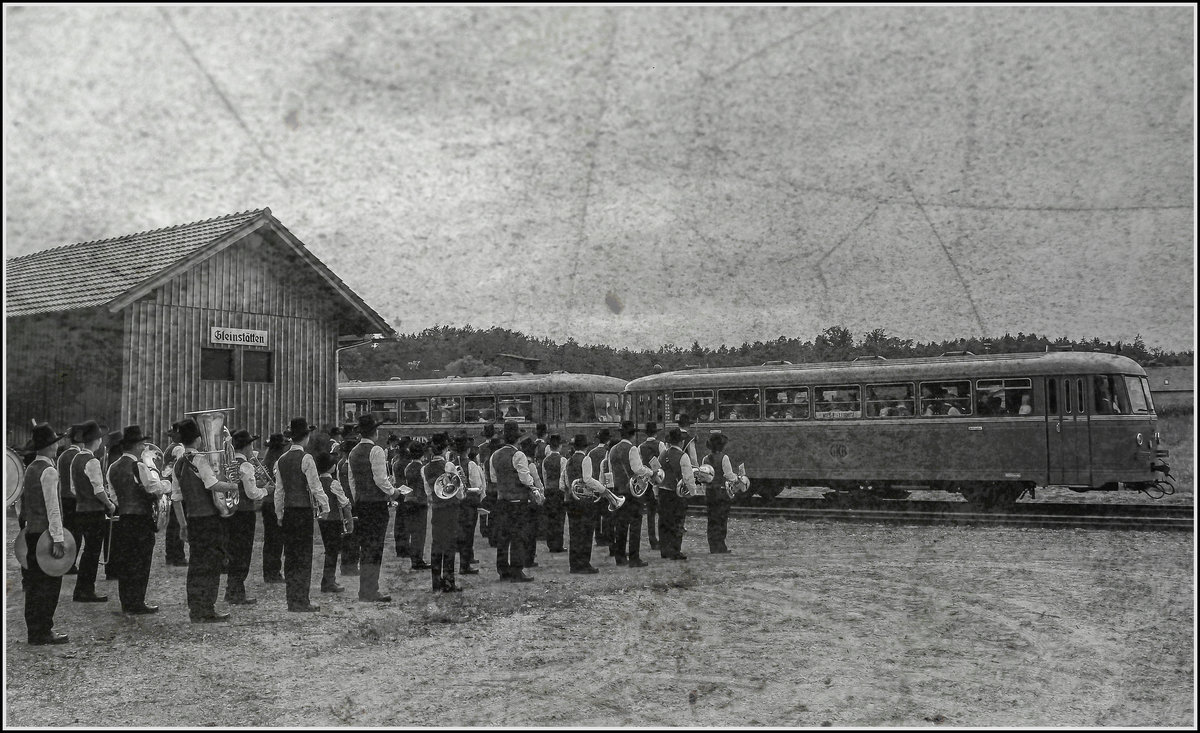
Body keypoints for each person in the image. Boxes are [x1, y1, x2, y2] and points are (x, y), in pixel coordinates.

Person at [173, 418, 239, 621]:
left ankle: (196, 608)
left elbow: (176, 499)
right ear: (199, 439)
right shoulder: (200, 460)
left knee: (195, 564)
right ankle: (206, 609)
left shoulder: (178, 464)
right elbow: (212, 484)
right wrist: (233, 485)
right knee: (210, 564)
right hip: (208, 519)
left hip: (192, 519)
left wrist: (182, 524)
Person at [347, 413, 412, 603]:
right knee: (375, 547)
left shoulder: (353, 452)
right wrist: (394, 493)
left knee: (365, 546)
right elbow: (380, 480)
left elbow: (352, 481)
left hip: (361, 503)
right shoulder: (376, 451)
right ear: (375, 432)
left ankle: (365, 588)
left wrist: (357, 498)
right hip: (376, 504)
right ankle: (370, 589)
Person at [111, 424, 173, 616]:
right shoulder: (138, 466)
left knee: (126, 562)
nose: (143, 447)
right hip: (140, 519)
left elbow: (113, 496)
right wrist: (167, 483)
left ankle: (126, 602)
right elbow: (153, 488)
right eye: (142, 444)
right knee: (141, 562)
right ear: (137, 445)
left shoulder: (113, 467)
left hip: (123, 518)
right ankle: (137, 601)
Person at [20, 422, 71, 644]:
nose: (57, 445)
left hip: (32, 531)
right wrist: (58, 538)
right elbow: (53, 508)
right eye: (54, 442)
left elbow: (21, 505)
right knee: (49, 582)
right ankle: (44, 629)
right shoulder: (49, 471)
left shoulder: (30, 468)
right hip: (46, 534)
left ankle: (34, 629)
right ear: (49, 447)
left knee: (33, 583)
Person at [68, 420, 117, 603]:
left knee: (87, 551)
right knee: (92, 552)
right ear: (96, 441)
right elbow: (98, 490)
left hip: (80, 509)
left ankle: (82, 589)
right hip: (94, 512)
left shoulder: (75, 459)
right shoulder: (92, 461)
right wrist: (110, 504)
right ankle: (85, 590)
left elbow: (73, 488)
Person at [489, 421, 537, 582]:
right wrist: (533, 486)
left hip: (502, 500)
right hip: (518, 501)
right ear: (517, 439)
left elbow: (494, 478)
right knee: (518, 536)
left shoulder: (495, 455)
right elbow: (525, 478)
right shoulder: (519, 455)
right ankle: (517, 570)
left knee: (503, 536)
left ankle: (503, 570)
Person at [224, 430, 268, 605]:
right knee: (243, 553)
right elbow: (252, 493)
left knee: (234, 550)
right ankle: (236, 592)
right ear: (247, 446)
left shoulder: (229, 463)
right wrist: (265, 490)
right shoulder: (246, 465)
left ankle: (232, 589)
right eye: (251, 444)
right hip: (245, 513)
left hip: (231, 511)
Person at [607, 420, 654, 567]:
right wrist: (650, 472)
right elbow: (637, 469)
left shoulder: (613, 449)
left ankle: (620, 557)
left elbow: (610, 471)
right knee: (635, 525)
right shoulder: (632, 449)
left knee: (621, 525)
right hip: (632, 493)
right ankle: (634, 558)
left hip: (618, 492)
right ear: (633, 435)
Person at [425, 433, 462, 592]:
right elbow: (457, 491)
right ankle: (449, 581)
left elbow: (428, 492)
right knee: (449, 545)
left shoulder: (424, 468)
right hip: (451, 508)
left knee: (437, 544)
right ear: (445, 448)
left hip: (437, 509)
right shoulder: (449, 466)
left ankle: (436, 581)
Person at [315, 447, 353, 594]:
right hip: (334, 520)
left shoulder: (316, 482)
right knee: (333, 551)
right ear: (332, 467)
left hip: (322, 520)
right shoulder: (334, 483)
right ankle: (328, 581)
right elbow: (344, 503)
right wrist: (350, 521)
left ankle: (328, 579)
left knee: (329, 549)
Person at [564, 434, 600, 574]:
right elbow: (588, 479)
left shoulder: (569, 460)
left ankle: (574, 564)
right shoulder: (586, 459)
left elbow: (566, 480)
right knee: (586, 532)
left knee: (574, 532)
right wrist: (600, 489)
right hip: (585, 500)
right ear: (586, 446)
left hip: (572, 500)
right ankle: (584, 563)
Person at [658, 428, 695, 561]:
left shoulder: (662, 454)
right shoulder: (683, 456)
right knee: (677, 521)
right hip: (677, 494)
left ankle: (664, 550)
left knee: (664, 521)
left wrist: (657, 490)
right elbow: (688, 478)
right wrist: (692, 492)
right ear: (681, 441)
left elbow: (657, 474)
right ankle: (675, 551)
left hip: (663, 492)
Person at [450, 434, 483, 577]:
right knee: (468, 534)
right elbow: (477, 486)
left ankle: (465, 561)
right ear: (468, 450)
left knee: (460, 532)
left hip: (455, 502)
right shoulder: (471, 464)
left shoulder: (450, 464)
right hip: (469, 503)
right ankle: (465, 564)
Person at [702, 432, 739, 554]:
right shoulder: (724, 458)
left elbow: (704, 477)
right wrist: (738, 478)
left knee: (712, 519)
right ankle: (721, 545)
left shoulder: (705, 459)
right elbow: (728, 475)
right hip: (722, 492)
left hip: (710, 492)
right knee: (722, 519)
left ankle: (712, 546)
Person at [259, 432, 289, 584]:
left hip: (267, 502)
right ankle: (273, 572)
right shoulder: (280, 461)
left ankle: (269, 571)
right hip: (276, 502)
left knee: (270, 540)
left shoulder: (266, 460)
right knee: (276, 540)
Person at [56, 423, 84, 575]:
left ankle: (66, 562)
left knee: (67, 530)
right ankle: (71, 563)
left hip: (64, 497)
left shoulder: (62, 456)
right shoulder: (80, 456)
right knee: (77, 532)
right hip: (77, 498)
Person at [400, 441, 431, 571]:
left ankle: (414, 558)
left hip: (408, 500)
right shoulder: (423, 468)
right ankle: (418, 560)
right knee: (420, 532)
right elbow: (425, 486)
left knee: (413, 531)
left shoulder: (408, 467)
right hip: (420, 502)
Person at [161, 422, 188, 567]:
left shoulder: (170, 447)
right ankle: (177, 555)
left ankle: (171, 554)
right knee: (177, 523)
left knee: (173, 524)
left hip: (169, 487)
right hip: (176, 488)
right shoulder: (179, 449)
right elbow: (181, 468)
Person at [336, 424, 361, 576]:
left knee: (347, 534)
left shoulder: (340, 465)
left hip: (344, 502)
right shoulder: (353, 465)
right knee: (354, 536)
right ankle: (351, 565)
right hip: (353, 502)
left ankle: (346, 565)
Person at [638, 422, 664, 551]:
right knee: (662, 512)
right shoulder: (660, 445)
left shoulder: (640, 447)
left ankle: (652, 539)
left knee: (650, 513)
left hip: (647, 481)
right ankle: (662, 539)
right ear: (656, 433)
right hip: (659, 481)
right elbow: (664, 461)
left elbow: (640, 465)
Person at [540, 435, 567, 554]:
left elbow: (544, 477)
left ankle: (551, 544)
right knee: (559, 519)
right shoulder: (563, 460)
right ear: (560, 446)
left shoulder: (545, 460)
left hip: (549, 491)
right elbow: (563, 477)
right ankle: (558, 544)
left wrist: (546, 489)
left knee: (550, 519)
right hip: (558, 492)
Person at [589, 429, 613, 549]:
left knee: (596, 514)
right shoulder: (608, 452)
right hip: (606, 486)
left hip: (594, 486)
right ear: (608, 440)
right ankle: (607, 537)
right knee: (608, 514)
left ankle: (598, 538)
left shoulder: (591, 452)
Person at [476, 424, 497, 543]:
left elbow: (479, 463)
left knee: (484, 505)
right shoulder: (497, 452)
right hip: (493, 483)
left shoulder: (481, 447)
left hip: (485, 479)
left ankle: (483, 528)